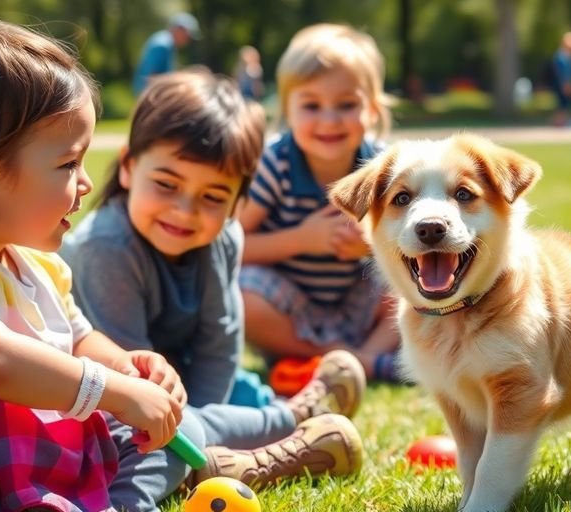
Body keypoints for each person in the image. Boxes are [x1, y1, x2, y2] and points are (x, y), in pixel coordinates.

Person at [55, 69, 364, 508]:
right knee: (195, 426)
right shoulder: (106, 248)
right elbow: (129, 377)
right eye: (166, 184)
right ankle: (293, 419)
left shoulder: (224, 236)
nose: (185, 211)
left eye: (213, 197)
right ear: (127, 167)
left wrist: (199, 413)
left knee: (241, 390)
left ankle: (256, 430)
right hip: (120, 394)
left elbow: (219, 340)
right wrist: (191, 421)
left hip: (185, 382)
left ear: (239, 203)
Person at [0, 19, 182, 510]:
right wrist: (112, 390)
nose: (84, 183)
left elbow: (75, 337)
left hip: (58, 456)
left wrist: (126, 367)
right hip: (6, 469)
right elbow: (1, 361)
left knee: (168, 438)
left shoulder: (38, 266)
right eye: (67, 164)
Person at [238, 23, 401, 382]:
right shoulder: (275, 164)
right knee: (238, 295)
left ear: (372, 110)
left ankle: (368, 357)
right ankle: (341, 360)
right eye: (312, 105)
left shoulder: (383, 167)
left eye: (346, 105)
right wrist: (301, 239)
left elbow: (411, 244)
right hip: (289, 309)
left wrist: (372, 246)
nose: (329, 120)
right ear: (288, 109)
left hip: (360, 302)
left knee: (414, 280)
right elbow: (231, 244)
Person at [132, 12, 200, 94]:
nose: (187, 41)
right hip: (149, 95)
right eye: (187, 36)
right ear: (180, 30)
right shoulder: (163, 45)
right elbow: (152, 77)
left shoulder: (165, 41)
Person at [549, 31, 571, 127]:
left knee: (564, 104)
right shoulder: (562, 56)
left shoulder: (565, 56)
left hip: (564, 84)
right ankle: (559, 123)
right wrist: (567, 84)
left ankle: (562, 122)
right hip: (563, 84)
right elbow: (563, 74)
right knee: (563, 104)